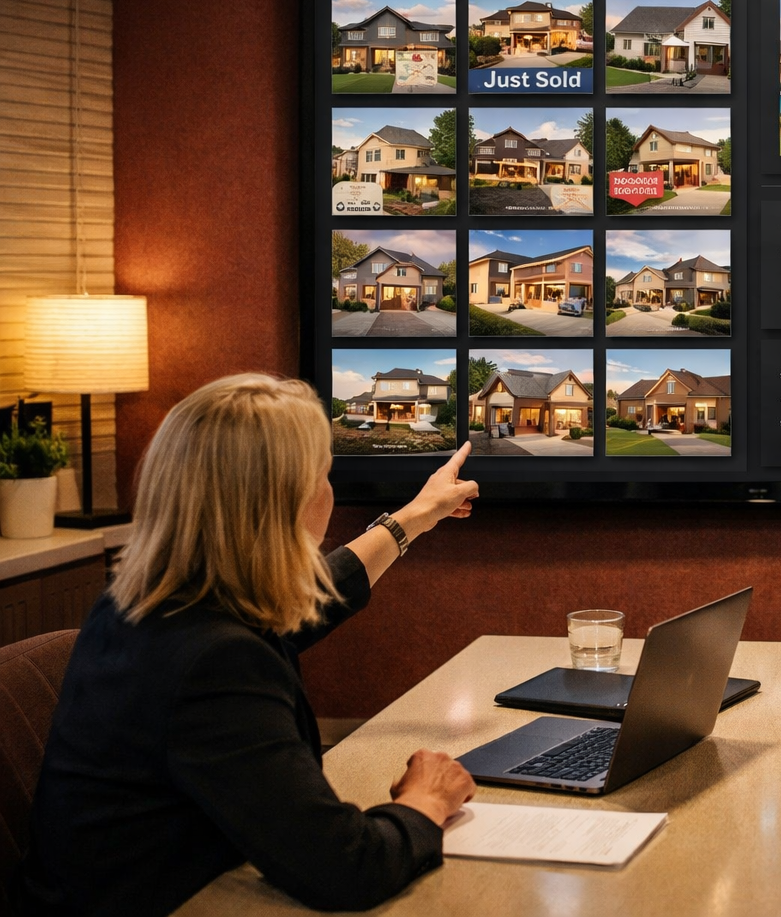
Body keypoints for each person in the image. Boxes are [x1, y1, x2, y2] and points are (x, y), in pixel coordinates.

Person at [12, 374, 481, 916]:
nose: (328, 492)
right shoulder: (216, 662)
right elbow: (346, 867)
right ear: (281, 505)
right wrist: (427, 799)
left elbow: (307, 606)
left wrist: (417, 516)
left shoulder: (145, 603)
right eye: (323, 476)